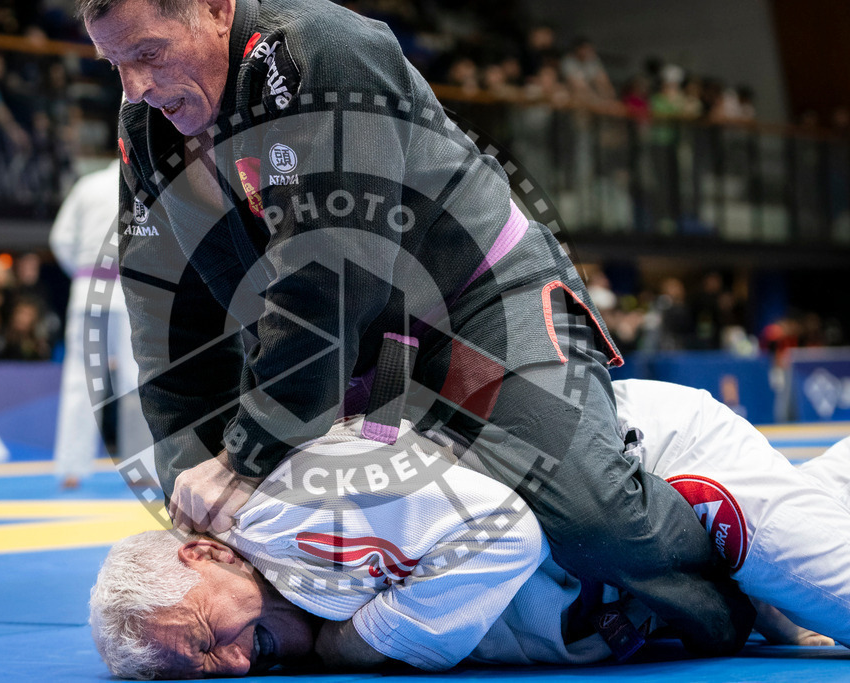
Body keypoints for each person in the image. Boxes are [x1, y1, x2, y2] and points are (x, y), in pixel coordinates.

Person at [81, 0, 753, 653]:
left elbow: (333, 274)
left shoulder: (324, 53)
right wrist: (191, 484)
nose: (136, 86)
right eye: (114, 63)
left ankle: (736, 581)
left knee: (589, 517)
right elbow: (168, 319)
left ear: (217, 9)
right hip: (368, 352)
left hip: (474, 303)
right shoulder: (145, 123)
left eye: (148, 53)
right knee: (355, 532)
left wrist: (246, 456)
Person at [89, 381, 850, 678]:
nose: (234, 666)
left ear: (202, 551)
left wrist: (357, 642)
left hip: (659, 473)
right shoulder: (291, 606)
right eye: (201, 672)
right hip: (651, 577)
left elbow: (501, 531)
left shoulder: (287, 510)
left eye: (202, 636)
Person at [49, 162, 151, 488]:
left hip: (87, 292)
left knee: (80, 380)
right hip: (128, 294)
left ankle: (71, 468)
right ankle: (142, 467)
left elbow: (60, 239)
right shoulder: (144, 186)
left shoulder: (87, 186)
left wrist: (83, 271)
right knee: (134, 379)